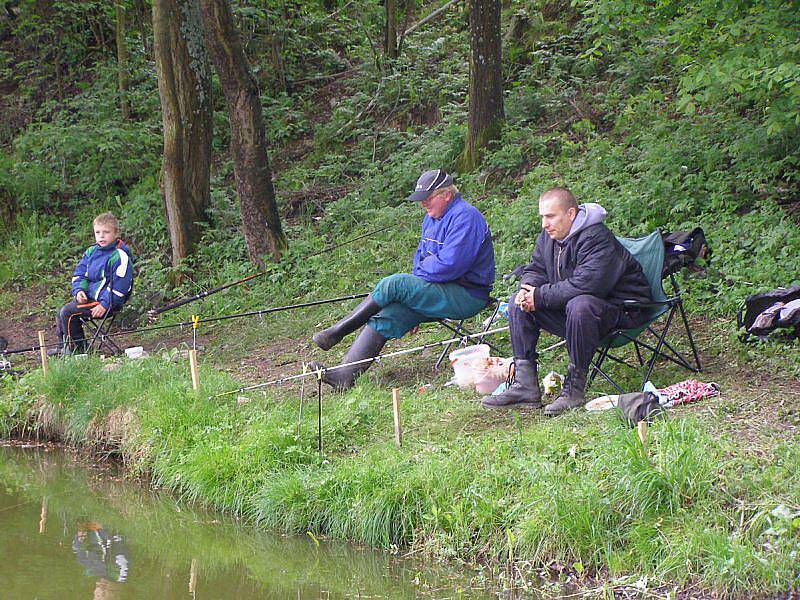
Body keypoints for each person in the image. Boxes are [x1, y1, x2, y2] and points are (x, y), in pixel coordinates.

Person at [310, 169, 495, 390]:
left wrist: (423, 277)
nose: (423, 204)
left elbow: (450, 266)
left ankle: (337, 332)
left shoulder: (466, 217)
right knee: (390, 313)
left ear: (446, 195)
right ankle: (345, 376)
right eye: (421, 200)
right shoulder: (430, 219)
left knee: (395, 284)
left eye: (428, 198)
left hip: (467, 294)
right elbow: (421, 260)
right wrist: (418, 293)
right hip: (439, 290)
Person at [482, 187, 652, 415]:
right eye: (542, 216)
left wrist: (540, 296)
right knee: (517, 303)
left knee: (580, 305)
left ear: (571, 214)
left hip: (623, 311)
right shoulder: (549, 237)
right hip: (577, 312)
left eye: (550, 216)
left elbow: (588, 285)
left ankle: (573, 389)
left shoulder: (596, 238)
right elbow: (536, 268)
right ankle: (525, 386)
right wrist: (527, 289)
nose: (544, 223)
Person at [50, 212, 133, 355]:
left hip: (109, 302)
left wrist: (106, 304)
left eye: (106, 232)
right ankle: (64, 347)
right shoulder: (91, 252)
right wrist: (79, 291)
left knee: (68, 313)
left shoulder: (119, 255)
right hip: (91, 298)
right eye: (98, 232)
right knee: (61, 312)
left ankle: (78, 352)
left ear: (116, 233)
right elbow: (79, 274)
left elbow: (121, 287)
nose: (101, 236)